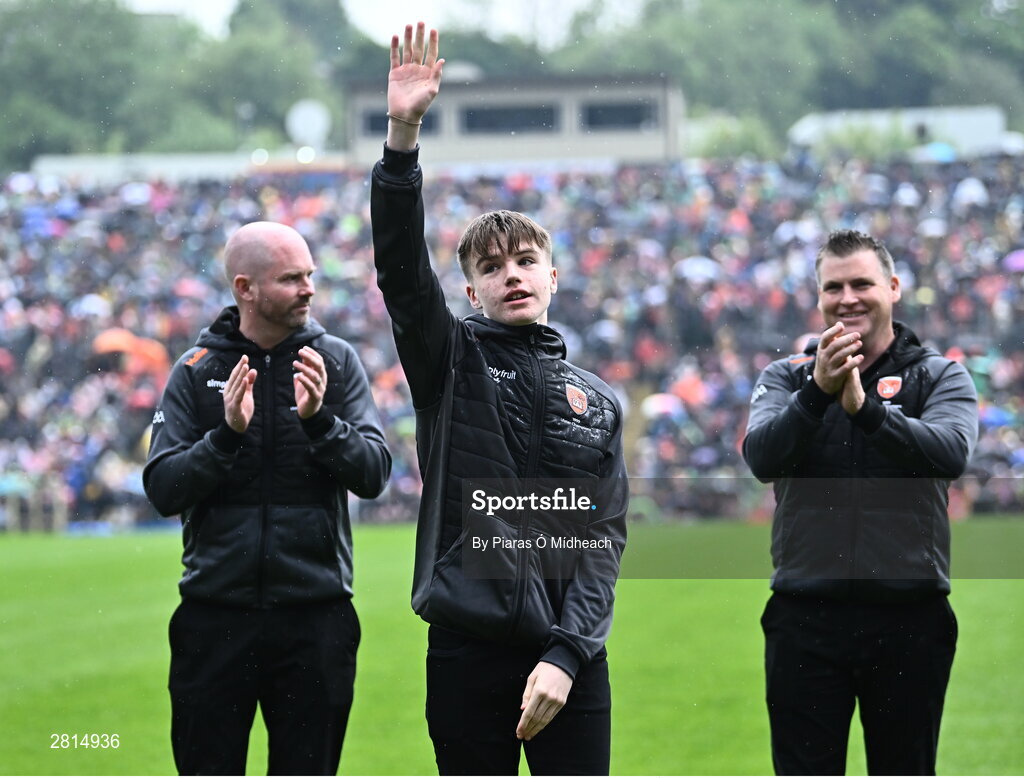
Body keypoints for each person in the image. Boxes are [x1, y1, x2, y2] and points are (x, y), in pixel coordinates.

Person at [370, 23, 628, 776]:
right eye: (492, 266)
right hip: (467, 650)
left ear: (553, 276)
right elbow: (398, 270)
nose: (511, 274)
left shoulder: (601, 401)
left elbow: (602, 540)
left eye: (526, 260)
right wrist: (403, 135)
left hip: (570, 659)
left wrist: (568, 653)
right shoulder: (449, 359)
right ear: (472, 289)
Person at [143, 221, 391, 775]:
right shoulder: (196, 370)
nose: (308, 289)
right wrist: (226, 436)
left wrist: (320, 421)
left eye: (309, 276)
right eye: (290, 279)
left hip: (316, 618)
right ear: (244, 288)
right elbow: (162, 489)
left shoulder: (337, 362)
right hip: (214, 619)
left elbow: (374, 474)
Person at [743, 229, 979, 775]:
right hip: (805, 617)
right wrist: (816, 394)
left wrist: (867, 411)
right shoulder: (786, 377)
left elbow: (950, 453)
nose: (847, 298)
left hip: (909, 618)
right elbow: (761, 457)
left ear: (893, 288)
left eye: (861, 284)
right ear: (819, 297)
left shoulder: (939, 375)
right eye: (833, 287)